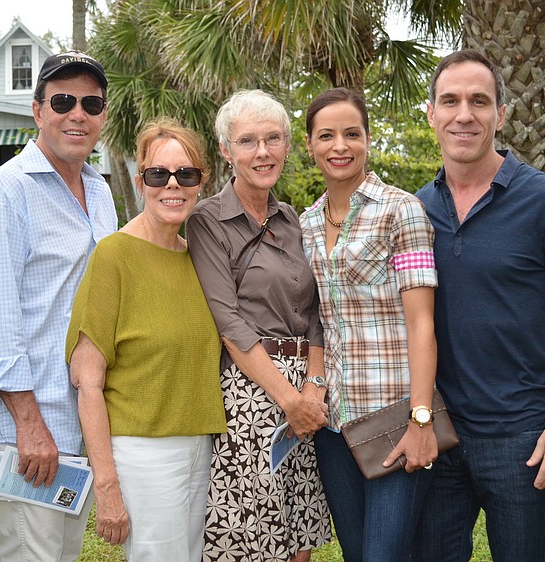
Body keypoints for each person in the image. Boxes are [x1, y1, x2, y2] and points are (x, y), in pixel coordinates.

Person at [412, 48, 545, 561]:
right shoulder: (415, 209)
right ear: (431, 113)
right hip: (439, 433)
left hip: (522, 437)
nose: (464, 114)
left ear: (501, 114)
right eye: (450, 101)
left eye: (479, 101)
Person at [0, 51, 117, 561]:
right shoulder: (5, 192)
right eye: (64, 101)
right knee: (35, 555)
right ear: (37, 110)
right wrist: (30, 427)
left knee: (63, 554)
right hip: (35, 429)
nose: (78, 113)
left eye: (91, 103)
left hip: (85, 420)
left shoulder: (99, 190)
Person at [66, 118, 227, 561]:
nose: (172, 185)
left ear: (201, 182)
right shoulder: (113, 256)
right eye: (159, 174)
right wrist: (107, 484)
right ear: (141, 181)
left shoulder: (199, 256)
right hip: (143, 454)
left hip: (202, 443)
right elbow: (88, 381)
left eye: (186, 174)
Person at [187, 89, 332, 562]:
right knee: (251, 536)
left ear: (288, 147)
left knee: (295, 532)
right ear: (226, 151)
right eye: (248, 141)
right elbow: (227, 320)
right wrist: (289, 399)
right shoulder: (208, 220)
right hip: (252, 392)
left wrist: (312, 389)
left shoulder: (292, 219)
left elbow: (314, 311)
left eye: (273, 138)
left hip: (305, 393)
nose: (262, 151)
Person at [298, 87, 438, 562]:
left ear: (368, 140)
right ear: (310, 145)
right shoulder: (307, 224)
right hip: (334, 427)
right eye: (326, 135)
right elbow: (316, 319)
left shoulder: (403, 211)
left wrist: (422, 419)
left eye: (351, 134)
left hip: (394, 418)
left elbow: (423, 323)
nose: (340, 146)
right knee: (358, 553)